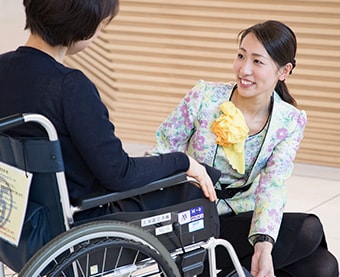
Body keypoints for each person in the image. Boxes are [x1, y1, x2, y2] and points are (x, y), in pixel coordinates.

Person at [147, 20, 339, 276]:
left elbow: (273, 185)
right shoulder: (204, 97)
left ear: (284, 71)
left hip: (242, 216)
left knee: (322, 266)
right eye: (240, 56)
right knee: (309, 233)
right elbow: (162, 151)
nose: (243, 69)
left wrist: (264, 245)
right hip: (193, 213)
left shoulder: (289, 121)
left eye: (257, 61)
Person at [0, 0, 218, 220]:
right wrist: (183, 161)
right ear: (82, 24)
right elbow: (120, 174)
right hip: (84, 218)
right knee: (194, 190)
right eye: (101, 24)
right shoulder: (70, 86)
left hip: (19, 218)